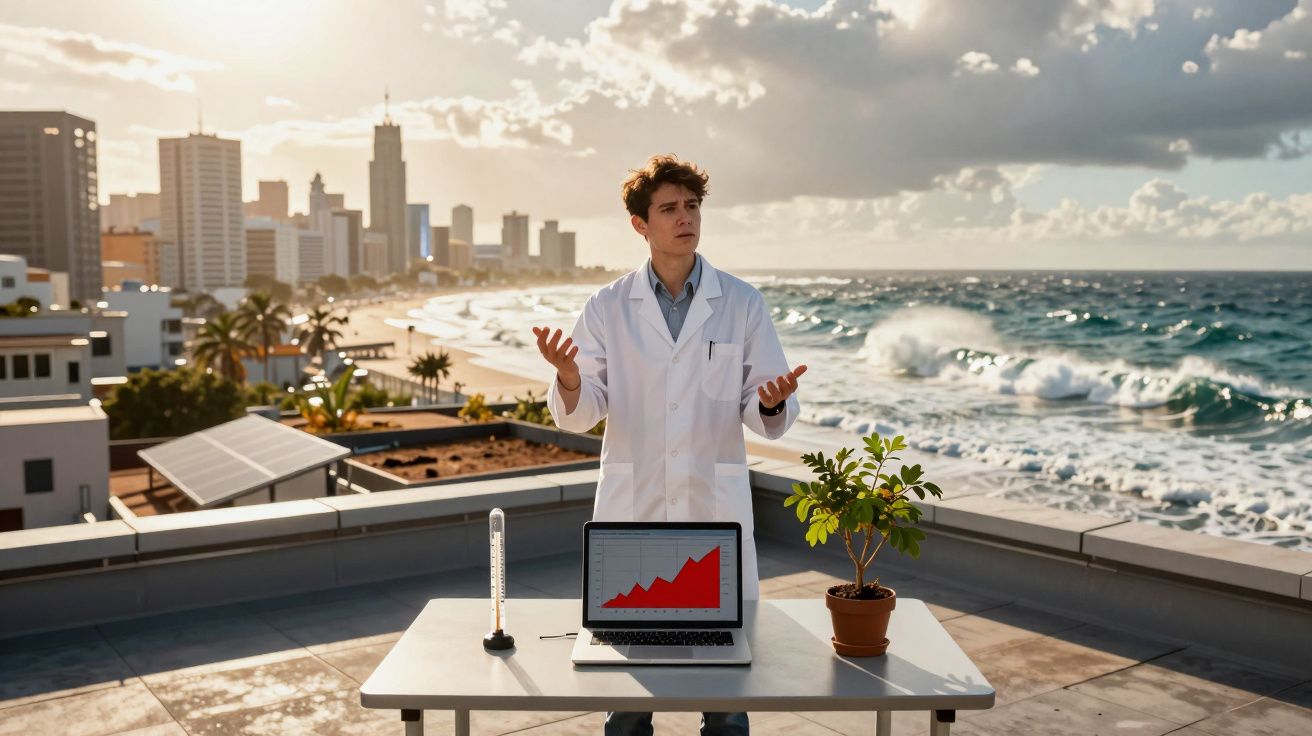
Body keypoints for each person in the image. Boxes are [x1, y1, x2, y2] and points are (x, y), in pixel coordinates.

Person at [532, 154, 806, 736]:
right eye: (669, 208)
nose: (685, 218)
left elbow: (763, 408)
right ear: (641, 224)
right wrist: (571, 378)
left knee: (727, 697)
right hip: (636, 518)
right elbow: (582, 412)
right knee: (629, 700)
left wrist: (774, 401)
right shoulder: (609, 306)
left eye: (692, 206)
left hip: (715, 518)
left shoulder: (742, 303)